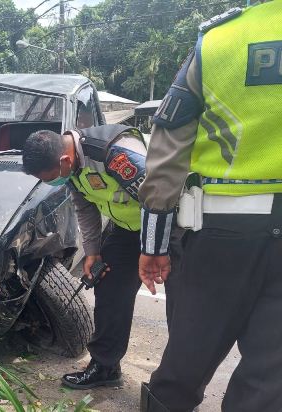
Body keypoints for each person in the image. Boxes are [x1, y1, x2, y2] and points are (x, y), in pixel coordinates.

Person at [137, 3, 282, 411]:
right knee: (270, 381)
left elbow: (168, 149)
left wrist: (154, 244)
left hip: (222, 231)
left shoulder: (220, 40)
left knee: (185, 363)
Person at [23, 124, 157, 389]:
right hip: (127, 228)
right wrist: (93, 251)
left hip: (171, 229)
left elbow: (158, 201)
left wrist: (152, 249)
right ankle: (105, 367)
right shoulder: (70, 168)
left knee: (183, 303)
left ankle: (178, 384)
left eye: (51, 177)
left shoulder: (116, 154)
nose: (52, 183)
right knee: (109, 290)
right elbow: (85, 207)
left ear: (64, 160)